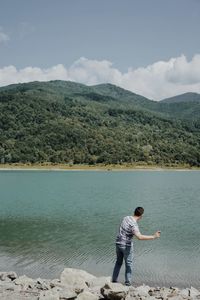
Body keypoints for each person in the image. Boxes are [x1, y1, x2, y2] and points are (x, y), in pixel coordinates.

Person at [112, 207, 161, 286]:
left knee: (118, 262)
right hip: (126, 246)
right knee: (129, 264)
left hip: (118, 243)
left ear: (134, 212)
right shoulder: (134, 225)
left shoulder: (126, 218)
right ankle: (128, 283)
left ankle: (114, 281)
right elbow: (139, 237)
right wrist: (154, 236)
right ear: (141, 216)